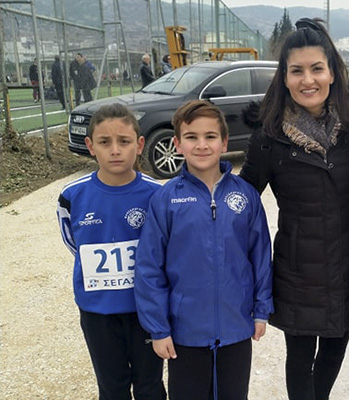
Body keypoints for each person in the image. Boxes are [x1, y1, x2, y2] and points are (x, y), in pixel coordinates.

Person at [239, 17, 349, 400]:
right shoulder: (269, 136)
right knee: (300, 357)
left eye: (316, 69)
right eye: (297, 71)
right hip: (297, 270)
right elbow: (241, 201)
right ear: (284, 76)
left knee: (334, 352)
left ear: (332, 72)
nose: (308, 80)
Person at [134, 100, 273, 400]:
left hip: (236, 328)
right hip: (185, 333)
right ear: (177, 144)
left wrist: (261, 310)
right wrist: (159, 328)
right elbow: (149, 267)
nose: (201, 145)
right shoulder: (166, 199)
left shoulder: (245, 196)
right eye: (191, 137)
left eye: (210, 136)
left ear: (224, 142)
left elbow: (261, 256)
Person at [56, 103, 166, 399]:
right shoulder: (71, 196)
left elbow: (164, 248)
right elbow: (74, 243)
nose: (115, 150)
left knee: (150, 386)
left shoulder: (156, 194)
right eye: (105, 142)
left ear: (139, 145)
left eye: (124, 141)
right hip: (98, 311)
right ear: (90, 146)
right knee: (112, 387)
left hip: (145, 309)